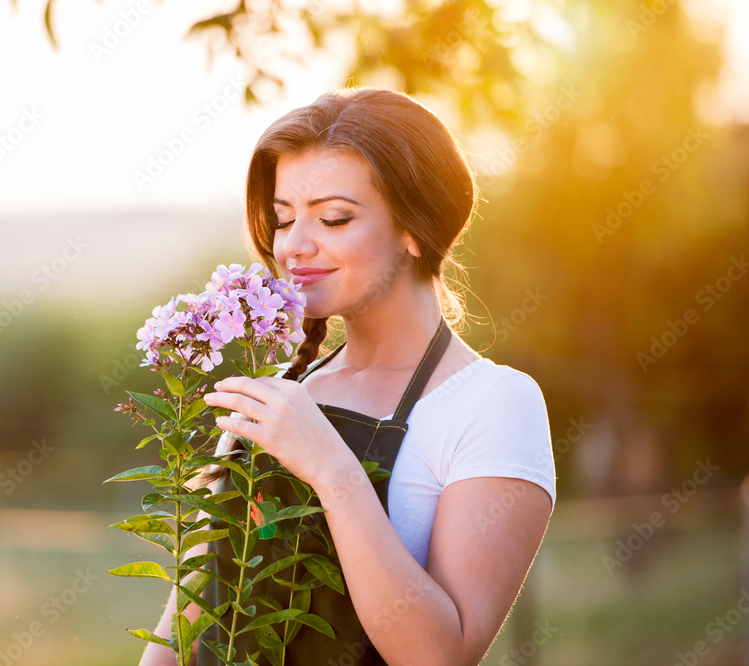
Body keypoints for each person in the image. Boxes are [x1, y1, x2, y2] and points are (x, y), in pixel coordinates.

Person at [139, 87, 556, 666]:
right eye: (284, 219)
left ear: (415, 229)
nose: (295, 247)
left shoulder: (493, 404)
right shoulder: (282, 392)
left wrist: (332, 470)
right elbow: (188, 620)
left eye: (334, 218)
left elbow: (440, 657)